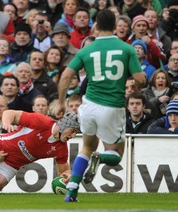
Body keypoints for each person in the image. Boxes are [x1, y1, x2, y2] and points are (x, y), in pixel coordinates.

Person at [56, 9, 146, 202]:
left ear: (95, 26)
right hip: (112, 107)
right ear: (115, 26)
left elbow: (65, 76)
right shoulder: (127, 48)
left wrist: (61, 102)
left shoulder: (86, 50)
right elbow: (140, 79)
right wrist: (138, 81)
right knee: (116, 153)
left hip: (88, 106)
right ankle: (101, 158)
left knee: (86, 147)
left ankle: (71, 190)